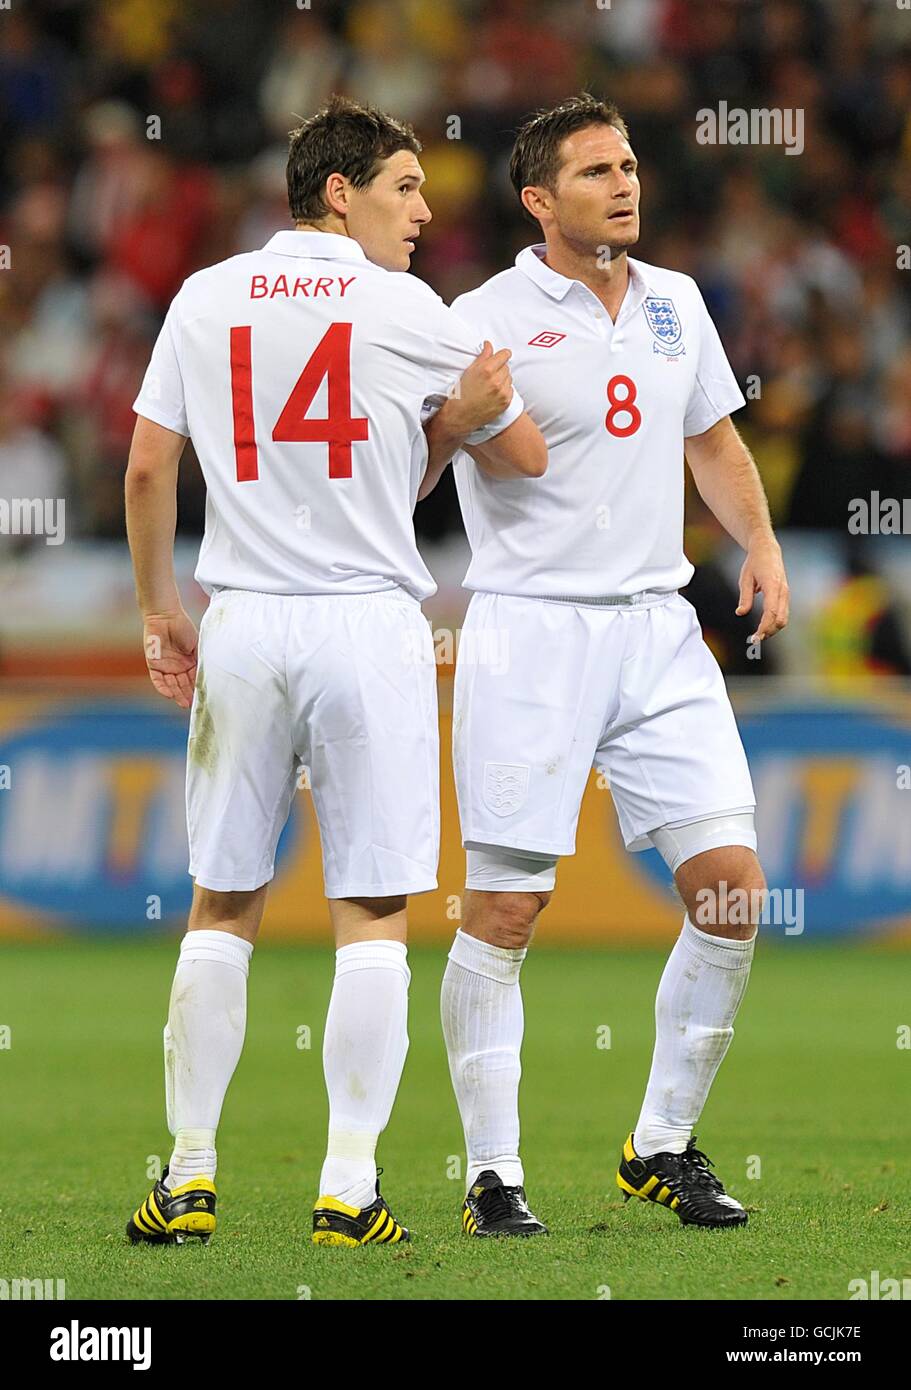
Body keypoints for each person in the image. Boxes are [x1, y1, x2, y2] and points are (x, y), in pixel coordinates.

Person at [123, 95, 546, 1249]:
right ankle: (347, 1188)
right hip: (367, 625)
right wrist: (455, 422)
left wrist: (163, 607)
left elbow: (151, 464)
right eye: (404, 188)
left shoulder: (204, 297)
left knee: (221, 902)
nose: (422, 210)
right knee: (372, 911)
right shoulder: (404, 307)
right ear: (338, 191)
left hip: (244, 620)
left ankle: (190, 1178)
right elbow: (522, 446)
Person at [424, 94, 789, 1236]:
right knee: (503, 909)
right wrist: (444, 427)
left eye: (628, 164)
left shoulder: (677, 303)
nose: (624, 183)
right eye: (594, 171)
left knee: (730, 890)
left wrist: (761, 543)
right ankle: (492, 1174)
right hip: (532, 629)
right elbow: (415, 471)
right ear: (539, 200)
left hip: (656, 625)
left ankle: (660, 1145)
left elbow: (713, 440)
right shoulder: (478, 316)